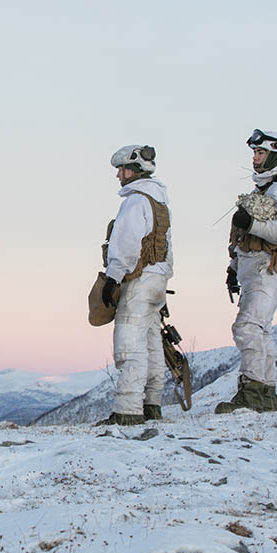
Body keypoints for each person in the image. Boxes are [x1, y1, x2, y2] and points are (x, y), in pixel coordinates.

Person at [216, 129, 277, 414]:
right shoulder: (261, 190)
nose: (255, 159)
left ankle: (252, 392)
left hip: (268, 267)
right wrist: (233, 268)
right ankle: (265, 394)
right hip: (252, 268)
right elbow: (242, 238)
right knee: (262, 330)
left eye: (261, 153)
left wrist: (250, 223)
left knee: (248, 326)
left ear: (276, 154)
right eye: (254, 153)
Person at [97, 144, 173, 425]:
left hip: (138, 281)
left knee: (130, 344)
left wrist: (113, 276)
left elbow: (126, 244)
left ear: (135, 170)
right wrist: (162, 279)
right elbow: (166, 246)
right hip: (158, 279)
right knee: (153, 345)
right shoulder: (159, 204)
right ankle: (151, 405)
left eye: (122, 169)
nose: (119, 176)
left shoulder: (135, 201)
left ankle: (128, 410)